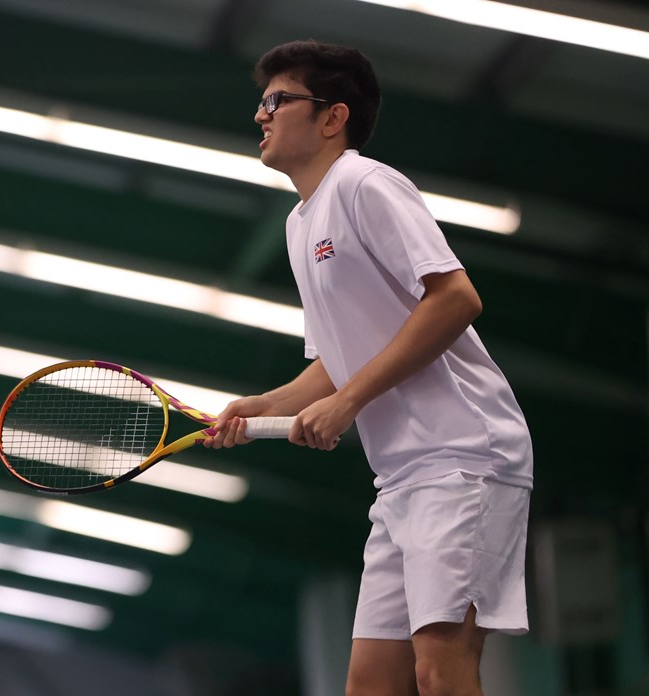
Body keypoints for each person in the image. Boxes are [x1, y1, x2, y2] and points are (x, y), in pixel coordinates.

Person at [206, 40, 533, 695]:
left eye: (277, 100)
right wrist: (265, 403)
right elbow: (336, 361)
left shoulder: (364, 183)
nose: (260, 116)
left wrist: (349, 402)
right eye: (261, 103)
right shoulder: (304, 223)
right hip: (401, 482)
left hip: (466, 458)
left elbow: (456, 298)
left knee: (441, 669)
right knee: (371, 687)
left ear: (332, 117)